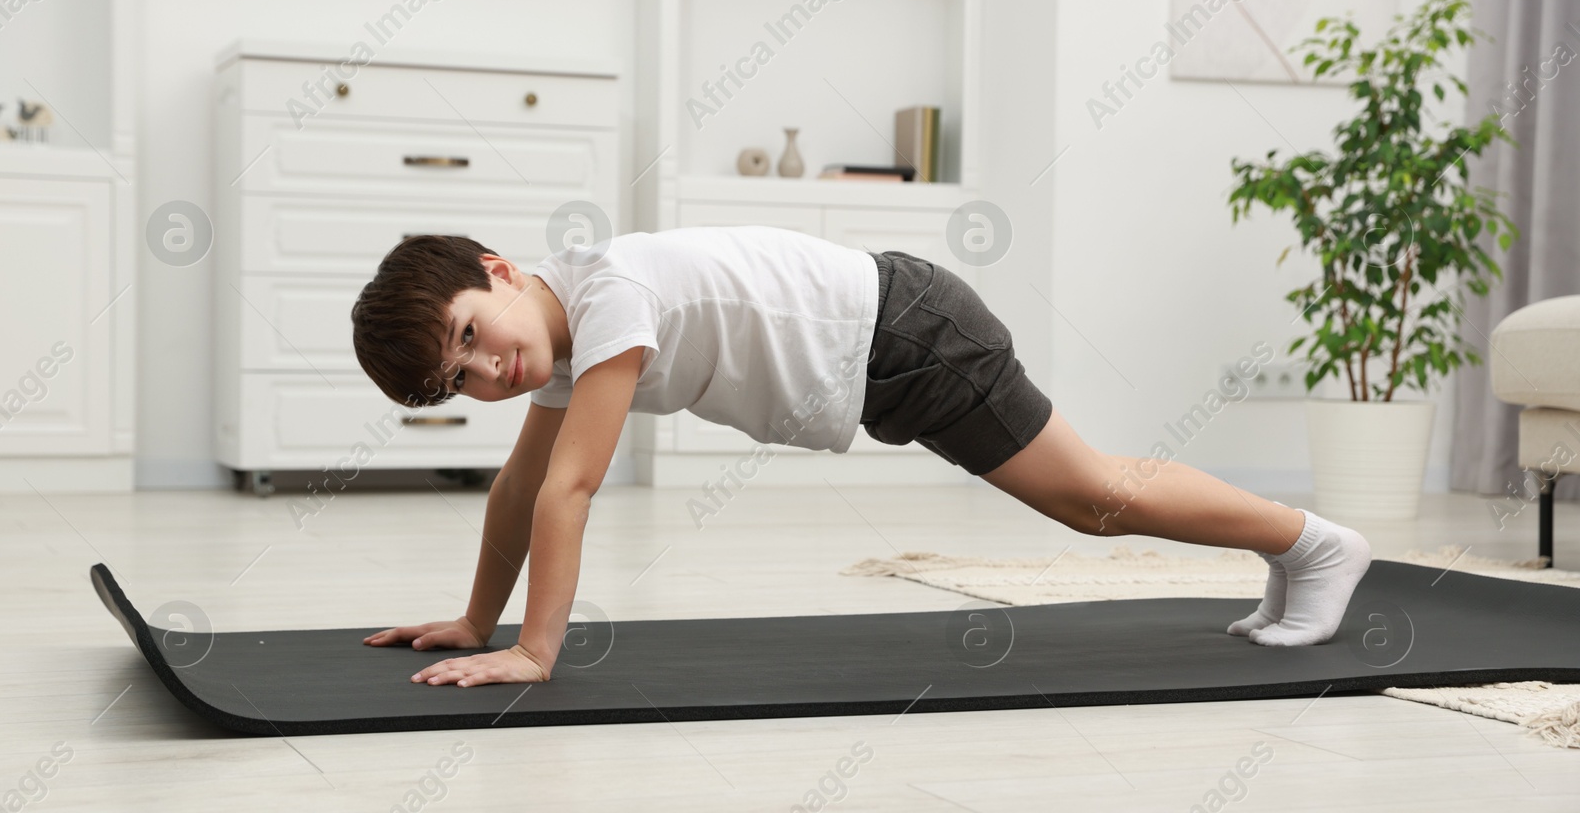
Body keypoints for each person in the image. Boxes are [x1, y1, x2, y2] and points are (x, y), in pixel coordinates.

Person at [350, 228, 1372, 687]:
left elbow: (569, 488)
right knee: (1089, 494)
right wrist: (475, 620)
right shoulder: (562, 328)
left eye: (474, 333)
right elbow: (522, 483)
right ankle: (1296, 552)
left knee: (1091, 497)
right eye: (462, 378)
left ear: (498, 270)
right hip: (887, 347)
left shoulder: (609, 296)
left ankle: (1316, 545)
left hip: (908, 335)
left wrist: (534, 650)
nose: (490, 368)